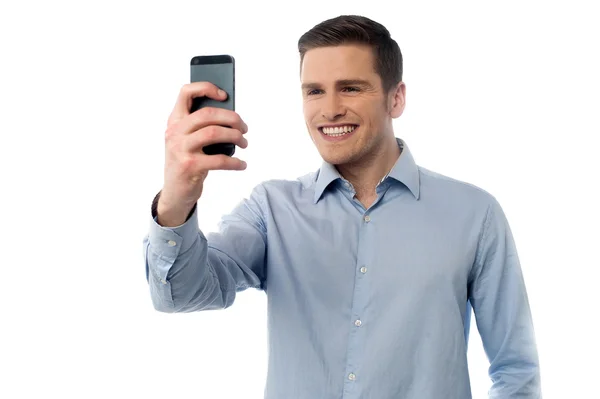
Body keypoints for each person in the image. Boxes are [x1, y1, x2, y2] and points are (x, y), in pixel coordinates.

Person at [142, 14, 542, 399]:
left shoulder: (474, 214)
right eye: (314, 90)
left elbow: (516, 371)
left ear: (396, 98)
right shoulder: (272, 210)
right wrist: (179, 193)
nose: (329, 109)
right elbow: (179, 294)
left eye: (350, 88)